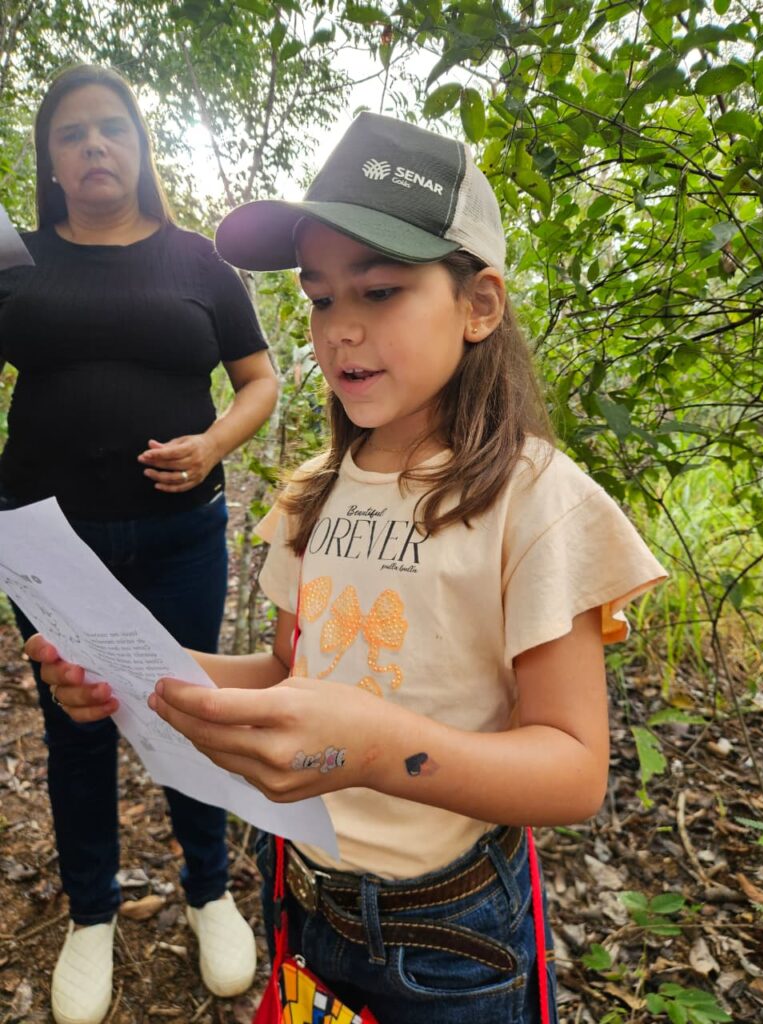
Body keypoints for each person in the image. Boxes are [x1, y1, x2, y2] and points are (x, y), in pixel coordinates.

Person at [27, 112, 667, 1024]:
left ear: (479, 305)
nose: (341, 331)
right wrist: (128, 669)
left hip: (450, 932)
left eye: (380, 291)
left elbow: (572, 771)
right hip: (299, 887)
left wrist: (372, 750)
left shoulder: (535, 500)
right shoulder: (312, 493)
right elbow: (290, 672)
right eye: (322, 299)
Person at [0, 65, 278, 1024]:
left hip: (179, 537)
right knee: (76, 719)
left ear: (140, 145)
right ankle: (91, 915)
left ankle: (209, 891)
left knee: (191, 704)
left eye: (111, 128)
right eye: (71, 134)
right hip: (48, 545)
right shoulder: (16, 261)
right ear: (51, 160)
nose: (93, 146)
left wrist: (212, 445)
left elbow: (259, 380)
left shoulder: (198, 261)